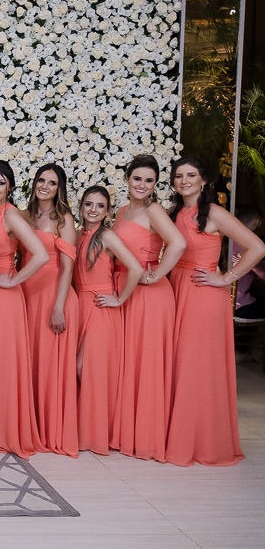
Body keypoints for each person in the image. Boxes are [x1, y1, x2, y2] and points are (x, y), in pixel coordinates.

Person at [165, 157, 265, 466]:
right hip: (176, 288)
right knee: (178, 362)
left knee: (197, 365)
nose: (184, 180)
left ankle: (201, 441)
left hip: (203, 293)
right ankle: (177, 434)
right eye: (179, 176)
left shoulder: (215, 213)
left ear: (204, 180)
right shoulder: (174, 213)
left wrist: (225, 278)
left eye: (191, 175)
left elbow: (257, 247)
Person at [112, 154, 185, 462]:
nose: (142, 185)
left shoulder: (154, 210)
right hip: (127, 289)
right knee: (130, 361)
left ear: (156, 184)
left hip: (149, 297)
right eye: (137, 178)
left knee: (147, 364)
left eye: (149, 180)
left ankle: (146, 436)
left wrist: (155, 274)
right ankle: (126, 431)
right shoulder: (122, 211)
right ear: (127, 179)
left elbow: (178, 243)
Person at [0, 159, 48, 458]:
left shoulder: (11, 215)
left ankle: (4, 429)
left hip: (3, 296)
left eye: (0, 183)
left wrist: (13, 280)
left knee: (1, 361)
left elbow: (41, 254)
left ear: (10, 187)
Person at [73, 186, 142, 455]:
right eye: (88, 204)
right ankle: (84, 430)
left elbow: (134, 268)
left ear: (108, 211)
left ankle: (97, 433)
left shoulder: (108, 236)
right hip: (80, 305)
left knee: (86, 367)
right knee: (79, 368)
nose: (93, 210)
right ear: (81, 207)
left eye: (100, 206)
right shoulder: (79, 236)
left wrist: (119, 299)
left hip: (100, 306)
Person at [21, 164, 80, 457]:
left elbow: (68, 266)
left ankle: (51, 429)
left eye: (52, 183)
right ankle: (30, 427)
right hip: (27, 295)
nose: (44, 186)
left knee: (50, 367)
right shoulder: (25, 215)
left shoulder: (63, 219)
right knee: (31, 363)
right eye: (41, 180)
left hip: (53, 295)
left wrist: (59, 306)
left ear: (60, 188)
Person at [233, 205, 265, 320]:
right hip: (240, 306)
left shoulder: (228, 240)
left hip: (224, 303)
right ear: (257, 222)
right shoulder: (249, 246)